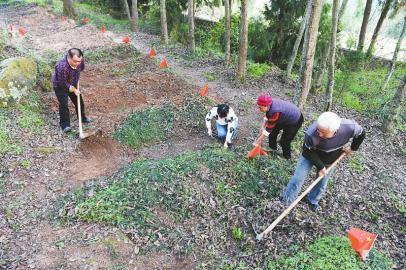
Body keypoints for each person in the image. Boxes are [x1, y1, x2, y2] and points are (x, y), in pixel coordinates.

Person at [280, 112, 366, 212]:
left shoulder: (350, 127)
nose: (319, 134)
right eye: (319, 130)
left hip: (330, 157)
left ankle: (312, 201)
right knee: (297, 178)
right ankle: (286, 200)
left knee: (322, 183)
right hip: (311, 155)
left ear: (335, 131)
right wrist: (320, 166)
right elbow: (308, 151)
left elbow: (361, 133)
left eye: (323, 133)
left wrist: (352, 148)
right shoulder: (311, 133)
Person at [52, 48, 91, 133]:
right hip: (60, 86)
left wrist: (76, 79)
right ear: (69, 57)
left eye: (79, 61)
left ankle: (82, 118)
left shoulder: (79, 61)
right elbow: (63, 84)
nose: (77, 63)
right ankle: (65, 124)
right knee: (64, 104)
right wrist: (74, 90)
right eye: (75, 61)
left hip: (72, 82)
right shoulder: (61, 67)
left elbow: (81, 68)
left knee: (79, 101)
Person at [253, 95, 303, 159]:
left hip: (295, 120)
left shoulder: (275, 111)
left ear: (267, 106)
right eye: (259, 107)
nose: (259, 109)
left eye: (261, 108)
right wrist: (262, 126)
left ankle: (287, 157)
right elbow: (268, 117)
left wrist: (258, 141)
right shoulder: (269, 103)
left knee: (284, 142)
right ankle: (272, 149)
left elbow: (268, 129)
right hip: (283, 117)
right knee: (273, 132)